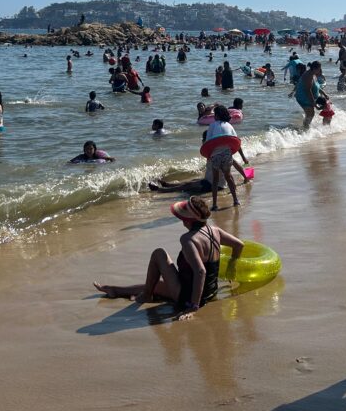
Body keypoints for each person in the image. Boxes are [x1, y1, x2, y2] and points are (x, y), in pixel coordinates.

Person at [93, 197, 244, 319]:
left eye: (183, 218)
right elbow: (239, 245)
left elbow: (200, 272)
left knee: (159, 254)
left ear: (188, 220)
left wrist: (193, 307)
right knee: (154, 284)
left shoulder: (188, 239)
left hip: (189, 296)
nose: (182, 220)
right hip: (210, 292)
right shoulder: (215, 231)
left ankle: (146, 296)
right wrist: (232, 265)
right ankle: (114, 290)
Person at [203, 105, 247, 210]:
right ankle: (236, 200)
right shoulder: (229, 125)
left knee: (215, 180)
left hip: (215, 155)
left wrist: (208, 156)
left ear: (217, 115)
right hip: (227, 153)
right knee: (228, 176)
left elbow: (208, 142)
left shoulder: (212, 125)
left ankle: (214, 205)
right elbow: (235, 140)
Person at [295, 61, 323, 129]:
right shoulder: (308, 75)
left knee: (310, 114)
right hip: (303, 97)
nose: (320, 70)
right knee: (310, 114)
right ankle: (305, 129)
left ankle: (305, 127)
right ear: (314, 68)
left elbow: (317, 86)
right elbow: (308, 90)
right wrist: (313, 102)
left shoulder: (313, 74)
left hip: (307, 96)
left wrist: (324, 94)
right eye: (319, 68)